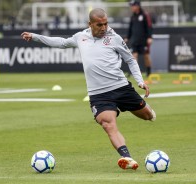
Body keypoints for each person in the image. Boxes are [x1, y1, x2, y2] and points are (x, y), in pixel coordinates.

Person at [21, 8, 156, 170]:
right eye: (100, 25)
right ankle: (127, 157)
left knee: (148, 116)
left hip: (121, 88)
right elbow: (61, 42)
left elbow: (131, 60)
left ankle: (134, 108)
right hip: (99, 94)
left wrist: (140, 81)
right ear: (90, 24)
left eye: (106, 24)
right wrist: (35, 37)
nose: (104, 28)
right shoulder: (81, 37)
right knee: (108, 124)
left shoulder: (115, 38)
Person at [125, 0, 153, 77]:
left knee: (146, 56)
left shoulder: (145, 15)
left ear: (137, 6)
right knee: (134, 56)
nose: (131, 7)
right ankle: (135, 72)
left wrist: (149, 37)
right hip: (135, 40)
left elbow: (149, 27)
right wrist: (127, 37)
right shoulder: (132, 17)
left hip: (143, 40)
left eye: (133, 5)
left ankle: (148, 71)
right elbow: (130, 28)